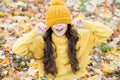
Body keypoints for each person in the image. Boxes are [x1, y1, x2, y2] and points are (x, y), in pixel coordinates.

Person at [12, 0, 112, 80]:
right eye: (55, 22)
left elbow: (106, 32)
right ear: (50, 25)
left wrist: (86, 24)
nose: (59, 24)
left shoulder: (81, 36)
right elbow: (17, 49)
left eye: (62, 21)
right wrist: (34, 33)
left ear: (68, 23)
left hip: (74, 77)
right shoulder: (40, 41)